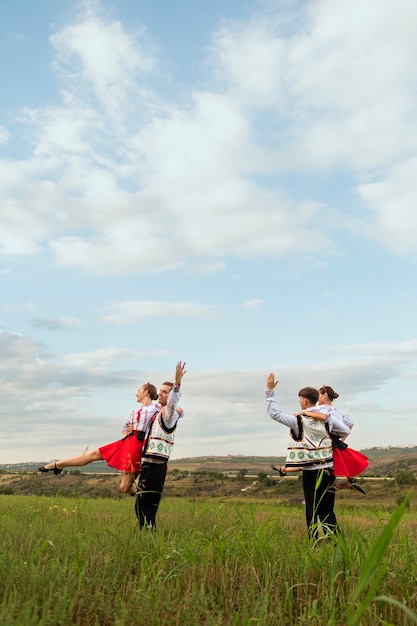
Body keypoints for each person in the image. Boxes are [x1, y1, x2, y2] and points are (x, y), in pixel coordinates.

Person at [265, 373, 351, 539]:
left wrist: (269, 390)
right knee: (327, 508)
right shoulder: (327, 419)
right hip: (328, 469)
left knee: (311, 508)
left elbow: (274, 413)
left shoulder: (298, 420)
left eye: (300, 400)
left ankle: (314, 542)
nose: (300, 402)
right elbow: (346, 431)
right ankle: (335, 542)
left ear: (304, 400)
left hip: (311, 471)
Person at [38, 382, 160, 493]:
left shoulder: (156, 408)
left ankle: (132, 489)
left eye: (139, 390)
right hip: (127, 441)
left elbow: (172, 410)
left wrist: (179, 409)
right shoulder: (135, 410)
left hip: (138, 446)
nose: (136, 393)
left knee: (124, 488)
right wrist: (126, 431)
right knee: (94, 454)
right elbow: (125, 426)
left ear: (146, 392)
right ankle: (58, 465)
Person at [271, 385, 368, 494]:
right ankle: (343, 485)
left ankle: (284, 470)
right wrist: (341, 440)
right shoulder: (335, 411)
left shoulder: (323, 409)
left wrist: (304, 412)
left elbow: (323, 417)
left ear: (325, 395)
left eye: (319, 394)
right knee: (326, 470)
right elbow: (350, 425)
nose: (318, 398)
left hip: (326, 443)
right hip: (334, 442)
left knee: (309, 463)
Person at [135, 361, 186, 529]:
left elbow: (173, 405)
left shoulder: (169, 414)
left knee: (147, 508)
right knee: (141, 506)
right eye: (161, 391)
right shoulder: (158, 412)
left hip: (156, 467)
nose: (161, 394)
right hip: (148, 464)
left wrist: (177, 385)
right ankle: (147, 537)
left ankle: (149, 539)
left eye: (165, 392)